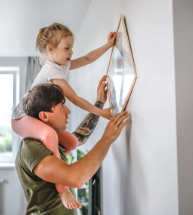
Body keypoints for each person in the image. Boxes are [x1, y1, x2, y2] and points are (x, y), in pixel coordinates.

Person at [12, 22, 118, 208]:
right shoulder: (52, 70)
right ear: (50, 49)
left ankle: (58, 158)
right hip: (21, 117)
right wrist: (102, 112)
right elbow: (75, 99)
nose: (71, 52)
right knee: (50, 135)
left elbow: (86, 59)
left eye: (72, 48)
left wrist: (108, 45)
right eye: (67, 48)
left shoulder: (62, 65)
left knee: (72, 141)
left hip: (36, 118)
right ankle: (62, 189)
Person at [15, 78, 130, 214]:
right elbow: (74, 178)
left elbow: (80, 136)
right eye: (62, 106)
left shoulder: (51, 141)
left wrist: (99, 104)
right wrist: (107, 139)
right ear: (44, 116)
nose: (68, 111)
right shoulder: (30, 147)